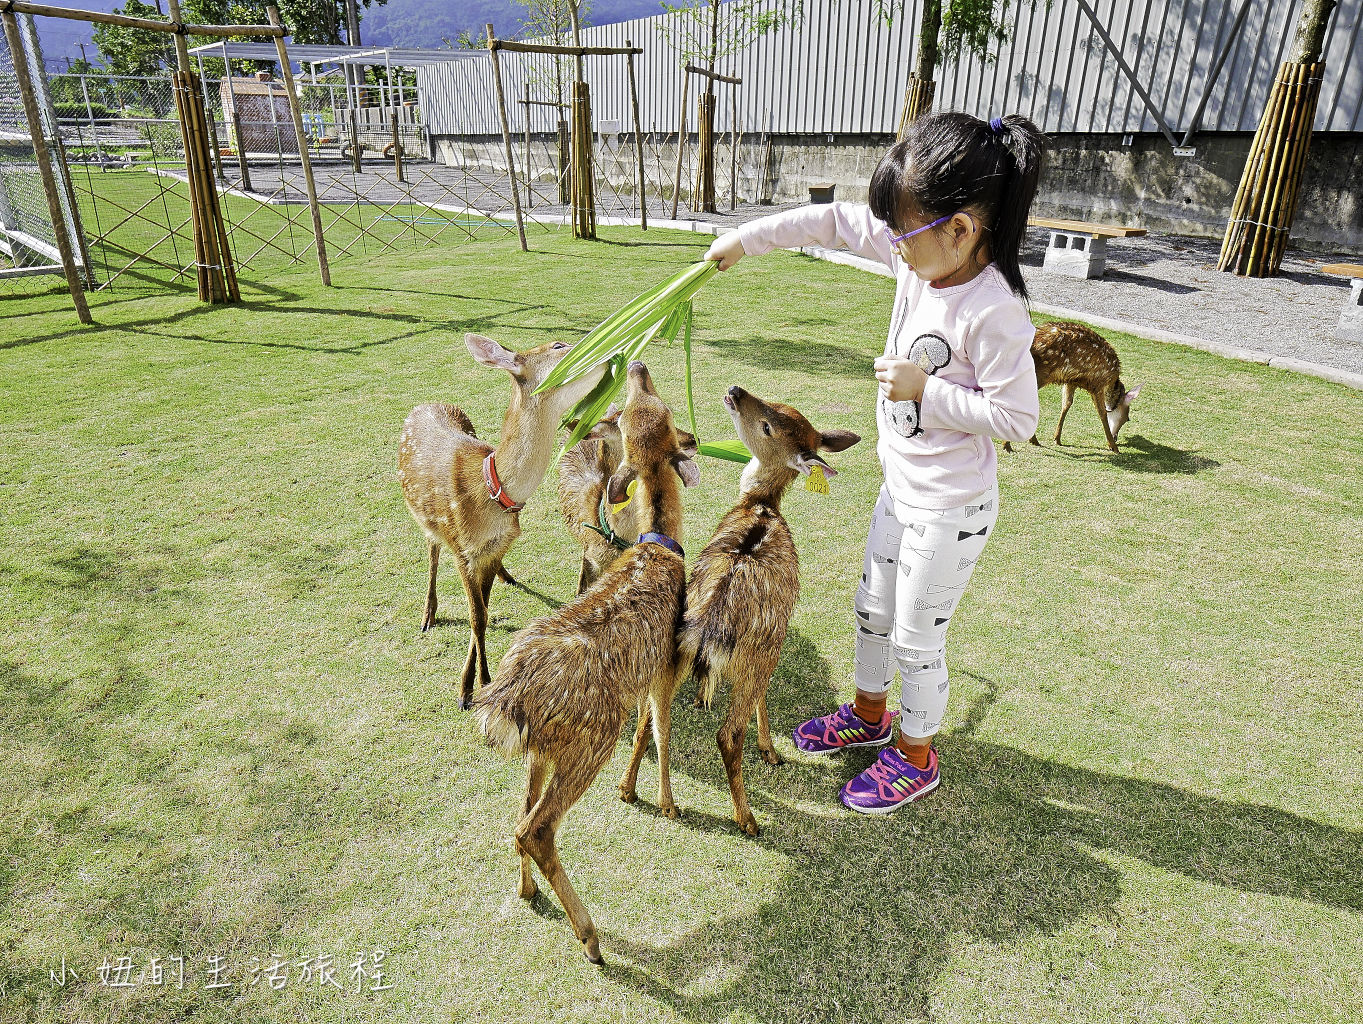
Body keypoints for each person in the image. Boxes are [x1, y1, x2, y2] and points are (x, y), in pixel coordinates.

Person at [704, 112, 1046, 814]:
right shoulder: (914, 253)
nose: (890, 241)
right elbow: (830, 222)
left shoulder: (994, 311)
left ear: (961, 229)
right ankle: (867, 716)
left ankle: (916, 757)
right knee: (870, 611)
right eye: (888, 226)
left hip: (950, 508)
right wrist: (745, 240)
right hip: (900, 491)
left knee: (918, 640)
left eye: (904, 229)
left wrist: (932, 393)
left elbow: (1018, 420)